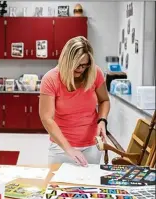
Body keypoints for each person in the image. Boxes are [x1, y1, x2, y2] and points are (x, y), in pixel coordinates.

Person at [39, 36, 110, 167]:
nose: (81, 69)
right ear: (67, 61)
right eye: (77, 65)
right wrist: (69, 149)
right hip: (61, 148)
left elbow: (104, 100)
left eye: (85, 65)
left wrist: (102, 120)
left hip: (92, 146)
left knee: (89, 185)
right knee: (58, 186)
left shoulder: (95, 73)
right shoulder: (50, 79)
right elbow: (46, 118)